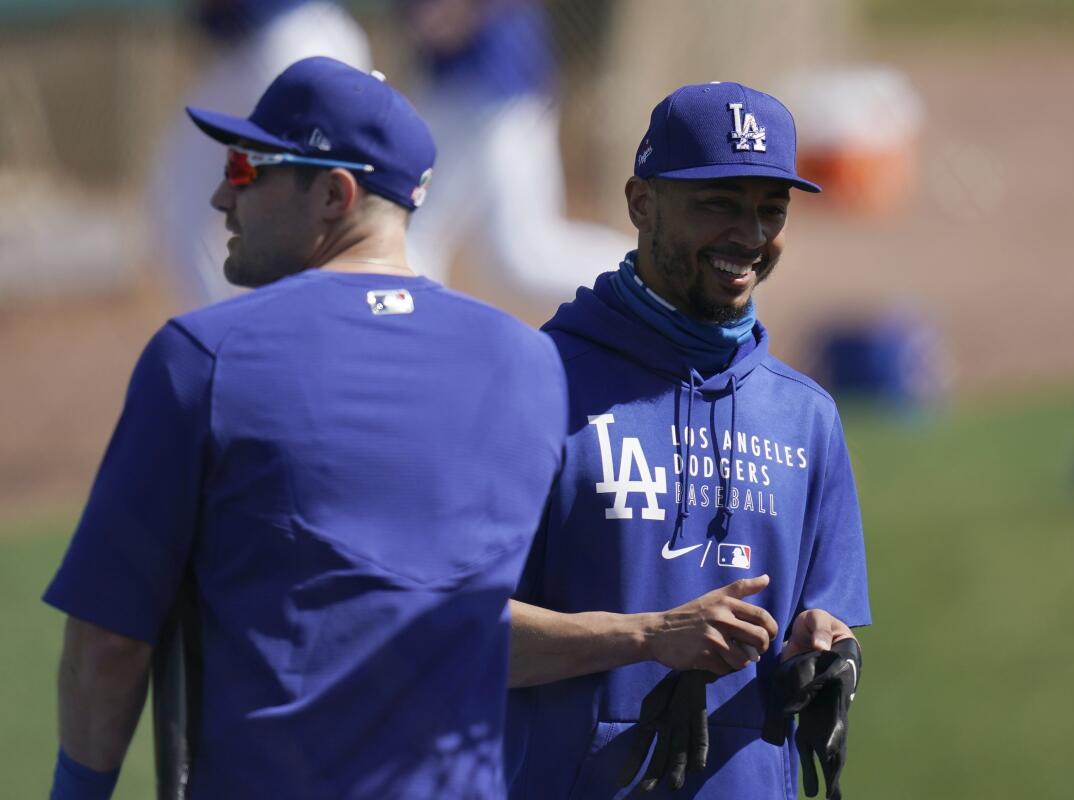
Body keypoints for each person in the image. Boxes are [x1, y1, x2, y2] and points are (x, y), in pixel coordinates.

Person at [45, 57, 567, 799]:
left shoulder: (204, 357)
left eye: (247, 167)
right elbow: (481, 619)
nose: (223, 194)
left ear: (333, 193)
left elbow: (107, 643)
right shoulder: (533, 365)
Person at [505, 82, 871, 799]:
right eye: (719, 204)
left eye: (772, 210)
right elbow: (460, 633)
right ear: (642, 203)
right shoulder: (536, 386)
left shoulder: (807, 417)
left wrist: (827, 650)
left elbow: (820, 614)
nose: (750, 235)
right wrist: (646, 637)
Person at [398, 0, 634, 305]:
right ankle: (646, 278)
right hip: (474, 91)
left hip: (489, 95)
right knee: (518, 260)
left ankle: (651, 280)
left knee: (417, 235)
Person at [150, 0, 371, 305]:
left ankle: (265, 340)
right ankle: (247, 338)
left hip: (284, 46)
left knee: (304, 219)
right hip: (309, 38)